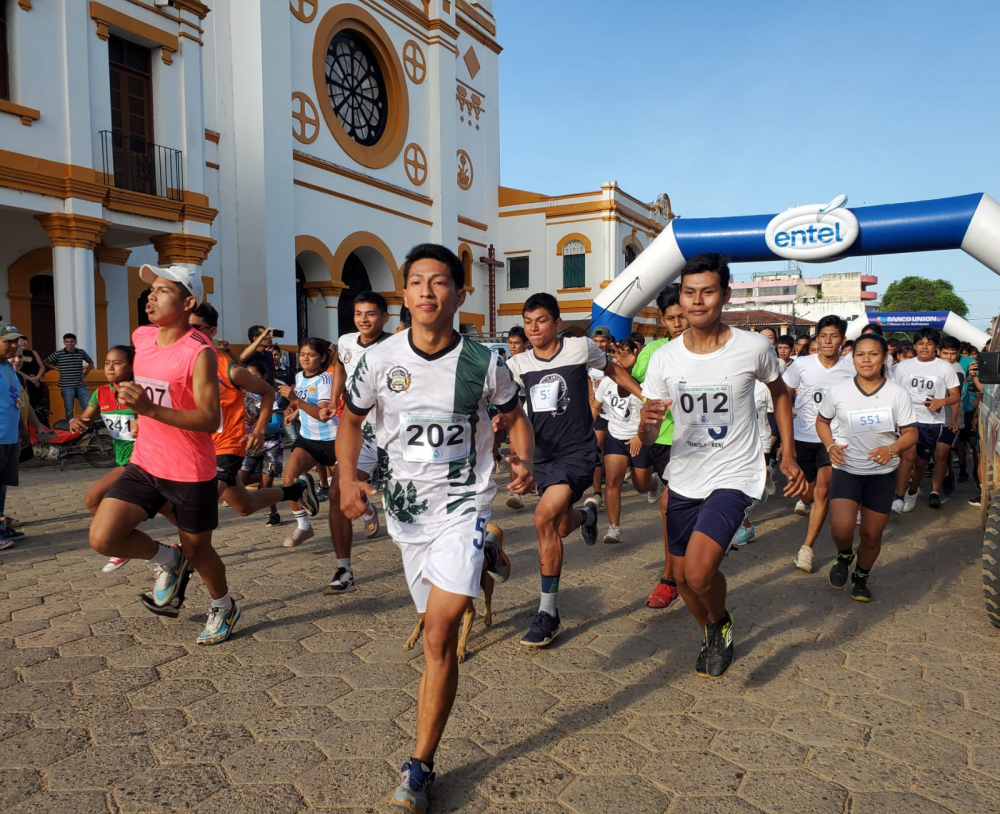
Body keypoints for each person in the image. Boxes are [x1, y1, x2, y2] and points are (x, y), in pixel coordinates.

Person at [337, 243, 533, 813]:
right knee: (430, 619)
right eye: (417, 281)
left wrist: (524, 460)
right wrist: (349, 480)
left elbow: (513, 415)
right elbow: (350, 421)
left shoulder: (485, 362)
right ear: (406, 294)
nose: (427, 291)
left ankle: (419, 765)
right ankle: (487, 556)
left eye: (440, 282)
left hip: (463, 505)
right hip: (405, 513)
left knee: (439, 634)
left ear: (459, 294)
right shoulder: (375, 361)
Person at [639, 253, 805, 678]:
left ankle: (718, 622)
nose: (697, 301)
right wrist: (645, 424)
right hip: (684, 474)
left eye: (707, 292)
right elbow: (647, 426)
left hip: (736, 473)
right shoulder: (664, 358)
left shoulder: (754, 347)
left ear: (725, 295)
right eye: (690, 293)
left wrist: (787, 451)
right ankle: (716, 626)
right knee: (685, 579)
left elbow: (780, 393)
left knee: (698, 569)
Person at [87, 265, 239, 645]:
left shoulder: (198, 352)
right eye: (151, 290)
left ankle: (223, 605)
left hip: (189, 470)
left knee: (199, 551)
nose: (151, 297)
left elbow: (208, 418)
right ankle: (167, 561)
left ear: (189, 302)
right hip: (146, 460)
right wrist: (138, 408)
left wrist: (151, 410)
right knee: (104, 537)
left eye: (163, 291)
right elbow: (151, 388)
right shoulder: (142, 337)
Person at [507, 294, 643, 648]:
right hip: (544, 456)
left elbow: (612, 370)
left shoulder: (580, 348)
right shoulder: (518, 364)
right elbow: (510, 408)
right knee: (561, 525)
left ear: (556, 323)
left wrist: (643, 394)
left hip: (578, 452)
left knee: (542, 519)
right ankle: (586, 515)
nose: (533, 328)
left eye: (540, 321)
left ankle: (548, 613)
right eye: (527, 322)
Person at [189, 304, 318, 522]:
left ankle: (177, 554)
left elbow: (267, 391)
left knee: (199, 506)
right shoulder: (179, 363)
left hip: (226, 444)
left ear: (212, 331)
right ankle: (296, 490)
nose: (187, 334)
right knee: (244, 506)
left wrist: (258, 431)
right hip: (198, 445)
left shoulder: (227, 368)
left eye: (195, 328)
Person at [817, 333, 918, 601]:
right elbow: (822, 422)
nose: (866, 360)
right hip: (847, 469)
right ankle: (844, 554)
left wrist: (891, 449)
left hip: (882, 475)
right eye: (860, 354)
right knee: (841, 528)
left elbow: (910, 433)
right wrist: (830, 447)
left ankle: (861, 577)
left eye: (873, 354)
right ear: (852, 358)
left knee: (871, 534)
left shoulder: (897, 393)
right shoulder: (838, 391)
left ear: (885, 357)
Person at [322, 291, 390, 594]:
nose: (364, 319)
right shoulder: (347, 341)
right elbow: (339, 365)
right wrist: (333, 398)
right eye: (359, 313)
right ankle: (344, 570)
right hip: (358, 431)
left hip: (393, 432)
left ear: (385, 317)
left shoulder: (396, 346)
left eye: (371, 313)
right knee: (337, 492)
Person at [783, 315, 855, 573]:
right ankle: (805, 499)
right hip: (803, 437)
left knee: (823, 491)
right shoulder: (801, 365)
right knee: (807, 493)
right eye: (823, 335)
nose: (827, 341)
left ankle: (807, 548)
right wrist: (786, 435)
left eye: (833, 336)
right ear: (817, 338)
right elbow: (784, 396)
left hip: (834, 440)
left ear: (842, 340)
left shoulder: (851, 369)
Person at [631, 282, 688, 608]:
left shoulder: (714, 351)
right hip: (664, 440)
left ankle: (675, 576)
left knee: (672, 507)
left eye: (682, 316)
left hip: (706, 444)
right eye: (671, 318)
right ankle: (671, 578)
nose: (678, 324)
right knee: (669, 507)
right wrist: (642, 429)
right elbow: (636, 384)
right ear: (662, 321)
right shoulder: (655, 354)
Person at [69, 345, 139, 571]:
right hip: (121, 459)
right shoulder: (101, 393)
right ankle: (182, 550)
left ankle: (120, 543)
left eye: (117, 363)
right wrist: (77, 422)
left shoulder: (142, 391)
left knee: (93, 498)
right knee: (173, 512)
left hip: (142, 459)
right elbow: (87, 420)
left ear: (131, 367)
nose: (109, 367)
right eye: (107, 362)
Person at [591, 337, 656, 544]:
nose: (621, 359)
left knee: (641, 485)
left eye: (627, 355)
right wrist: (585, 430)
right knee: (612, 481)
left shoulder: (645, 385)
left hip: (640, 438)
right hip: (615, 436)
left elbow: (652, 416)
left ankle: (654, 484)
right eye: (617, 355)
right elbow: (596, 406)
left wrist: (639, 436)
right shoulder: (606, 382)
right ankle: (614, 528)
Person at [277, 338, 339, 548]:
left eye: (311, 355)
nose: (305, 358)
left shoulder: (325, 380)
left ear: (322, 358)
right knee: (288, 478)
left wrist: (295, 401)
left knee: (339, 492)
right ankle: (304, 526)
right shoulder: (298, 376)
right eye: (303, 354)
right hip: (308, 439)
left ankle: (367, 510)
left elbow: (323, 415)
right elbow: (302, 405)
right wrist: (292, 412)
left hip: (332, 439)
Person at [891, 327, 960, 511]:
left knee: (921, 462)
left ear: (936, 347)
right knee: (908, 455)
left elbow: (955, 395)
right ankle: (898, 496)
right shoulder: (903, 367)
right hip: (907, 417)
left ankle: (912, 492)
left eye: (929, 344)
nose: (924, 347)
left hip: (931, 421)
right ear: (915, 346)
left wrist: (941, 401)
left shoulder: (944, 367)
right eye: (920, 343)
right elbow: (893, 392)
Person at [239, 359, 287, 526]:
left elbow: (275, 426)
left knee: (266, 485)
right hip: (250, 444)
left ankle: (273, 514)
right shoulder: (242, 394)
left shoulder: (274, 397)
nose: (251, 379)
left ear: (265, 376)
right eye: (248, 376)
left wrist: (256, 423)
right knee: (239, 480)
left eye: (255, 376)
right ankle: (268, 475)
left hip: (271, 446)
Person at [587, 325, 617, 509]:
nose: (599, 344)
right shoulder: (587, 360)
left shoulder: (614, 360)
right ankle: (597, 492)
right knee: (597, 447)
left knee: (610, 453)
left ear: (609, 342)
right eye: (596, 341)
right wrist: (590, 390)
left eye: (603, 341)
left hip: (616, 412)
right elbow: (583, 379)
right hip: (597, 411)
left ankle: (612, 486)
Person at [44, 333, 94, 418]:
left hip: (80, 384)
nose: (69, 343)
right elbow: (46, 361)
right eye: (67, 342)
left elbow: (91, 362)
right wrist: (57, 369)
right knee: (69, 409)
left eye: (71, 341)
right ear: (64, 342)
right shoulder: (59, 353)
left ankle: (90, 423)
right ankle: (69, 426)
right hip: (66, 385)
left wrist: (85, 374)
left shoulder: (81, 352)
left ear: (75, 342)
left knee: (88, 405)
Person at [16, 336, 46, 416]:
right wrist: (30, 379)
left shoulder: (33, 352)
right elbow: (16, 369)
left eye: (25, 341)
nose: (23, 343)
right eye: (21, 341)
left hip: (36, 382)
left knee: (37, 404)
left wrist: (37, 377)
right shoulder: (15, 354)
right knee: (25, 402)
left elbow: (42, 366)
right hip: (23, 381)